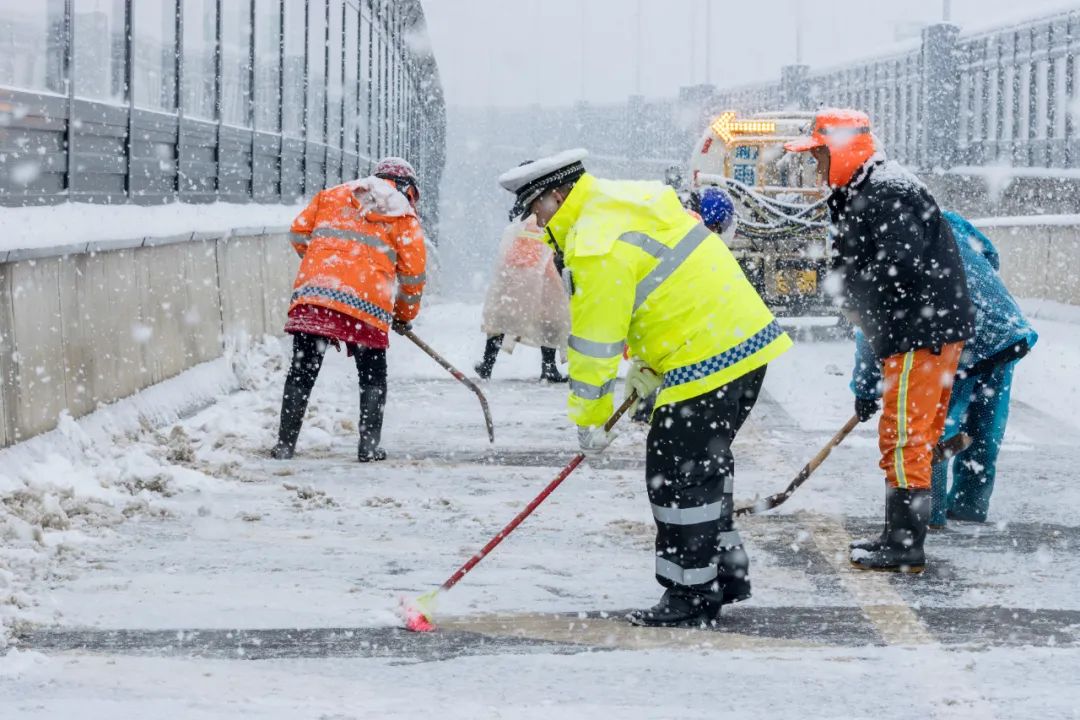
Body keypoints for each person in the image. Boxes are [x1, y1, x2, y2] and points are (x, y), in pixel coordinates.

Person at [499, 149, 792, 626]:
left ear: (558, 194)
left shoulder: (594, 239)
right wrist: (653, 364)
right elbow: (664, 287)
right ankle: (723, 574)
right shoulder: (620, 201)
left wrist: (590, 421)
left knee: (676, 473)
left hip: (707, 354)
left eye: (537, 208)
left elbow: (595, 347)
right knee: (702, 465)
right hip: (738, 341)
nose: (535, 220)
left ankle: (691, 595)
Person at [785, 109, 976, 573]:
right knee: (907, 433)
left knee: (906, 435)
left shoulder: (887, 192)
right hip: (918, 333)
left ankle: (905, 541)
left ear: (841, 148)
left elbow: (899, 267)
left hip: (920, 334)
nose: (814, 168)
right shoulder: (870, 188)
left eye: (818, 156)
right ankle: (900, 534)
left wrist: (850, 285)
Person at [850, 211, 1037, 527]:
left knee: (932, 429)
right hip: (1004, 330)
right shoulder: (943, 218)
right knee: (985, 427)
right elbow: (990, 254)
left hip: (957, 337)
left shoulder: (883, 245)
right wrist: (976, 290)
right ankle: (970, 507)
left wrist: (866, 390)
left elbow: (871, 329)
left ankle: (929, 516)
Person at [270, 157, 427, 463]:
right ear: (408, 188)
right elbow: (412, 277)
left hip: (316, 294)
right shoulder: (403, 215)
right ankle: (368, 447)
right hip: (367, 304)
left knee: (302, 370)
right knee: (372, 374)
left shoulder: (332, 195)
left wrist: (325, 262)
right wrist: (404, 315)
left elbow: (299, 233)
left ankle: (285, 444)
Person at [475, 214, 570, 383]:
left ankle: (487, 365)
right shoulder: (551, 217)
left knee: (502, 318)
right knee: (550, 319)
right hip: (542, 274)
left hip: (514, 272)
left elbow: (507, 248)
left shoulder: (522, 220)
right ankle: (548, 368)